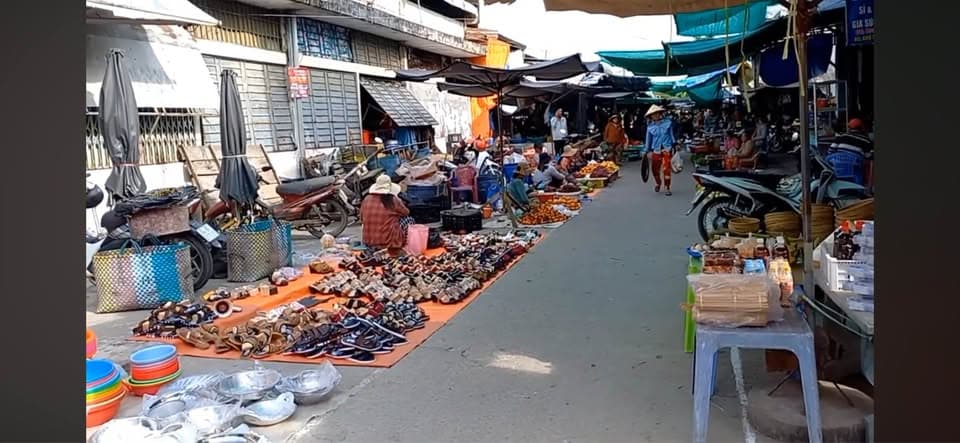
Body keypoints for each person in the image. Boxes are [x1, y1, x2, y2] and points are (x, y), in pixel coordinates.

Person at [360, 175, 413, 252]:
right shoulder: (392, 199)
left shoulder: (367, 199)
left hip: (369, 242)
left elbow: (362, 219)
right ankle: (400, 246)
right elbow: (406, 212)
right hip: (388, 242)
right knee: (409, 220)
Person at [644, 104, 676, 196]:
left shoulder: (668, 123)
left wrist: (675, 143)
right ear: (651, 116)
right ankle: (658, 183)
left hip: (666, 148)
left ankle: (667, 187)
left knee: (666, 169)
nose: (656, 115)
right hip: (656, 149)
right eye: (654, 114)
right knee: (655, 169)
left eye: (657, 113)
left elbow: (671, 134)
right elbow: (648, 140)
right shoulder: (650, 127)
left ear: (660, 114)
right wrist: (647, 150)